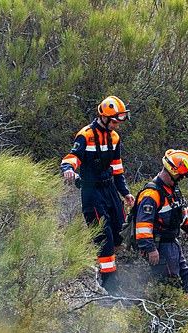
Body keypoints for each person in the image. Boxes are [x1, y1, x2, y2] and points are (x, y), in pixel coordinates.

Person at [61, 95, 135, 295]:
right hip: (91, 191)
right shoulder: (85, 135)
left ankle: (109, 264)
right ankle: (109, 284)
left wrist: (125, 193)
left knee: (120, 231)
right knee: (103, 237)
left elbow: (117, 169)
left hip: (110, 189)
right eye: (113, 121)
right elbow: (72, 157)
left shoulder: (115, 138)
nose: (116, 125)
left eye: (118, 122)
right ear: (103, 117)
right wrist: (68, 169)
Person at [134, 149, 188, 292]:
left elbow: (183, 214)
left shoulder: (173, 190)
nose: (182, 178)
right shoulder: (152, 194)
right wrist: (151, 249)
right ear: (173, 172)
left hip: (172, 243)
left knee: (183, 275)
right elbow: (142, 226)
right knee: (170, 283)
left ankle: (181, 308)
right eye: (181, 175)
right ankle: (166, 312)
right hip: (160, 246)